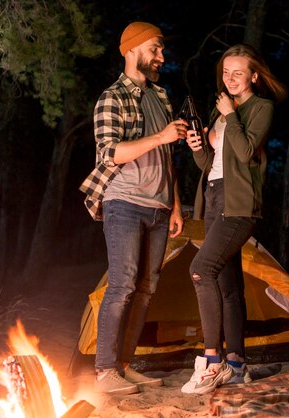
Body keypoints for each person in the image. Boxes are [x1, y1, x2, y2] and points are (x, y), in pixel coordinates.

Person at [79, 21, 187, 395]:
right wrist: (160, 135)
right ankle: (105, 370)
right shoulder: (112, 97)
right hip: (123, 201)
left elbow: (168, 155)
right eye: (154, 49)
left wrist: (175, 205)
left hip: (158, 206)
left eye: (161, 50)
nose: (161, 56)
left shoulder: (161, 96)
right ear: (131, 50)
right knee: (122, 284)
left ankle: (123, 366)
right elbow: (110, 153)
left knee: (146, 289)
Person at [180, 43, 287, 395]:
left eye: (238, 73)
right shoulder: (221, 112)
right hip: (213, 198)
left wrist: (229, 116)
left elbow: (243, 152)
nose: (231, 79)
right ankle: (237, 365)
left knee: (200, 269)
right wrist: (198, 146)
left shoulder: (261, 107)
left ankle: (212, 362)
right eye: (226, 73)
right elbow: (208, 166)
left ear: (253, 75)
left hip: (239, 204)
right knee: (228, 286)